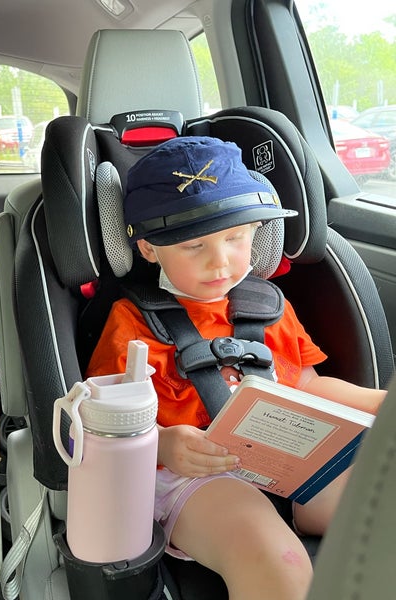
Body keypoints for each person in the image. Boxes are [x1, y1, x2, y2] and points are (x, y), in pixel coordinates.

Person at [86, 136, 386, 600]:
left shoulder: (268, 306)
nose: (220, 261)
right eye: (194, 246)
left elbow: (305, 384)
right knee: (278, 564)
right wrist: (162, 444)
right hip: (195, 475)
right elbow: (103, 431)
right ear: (148, 249)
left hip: (287, 457)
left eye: (235, 237)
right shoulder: (132, 326)